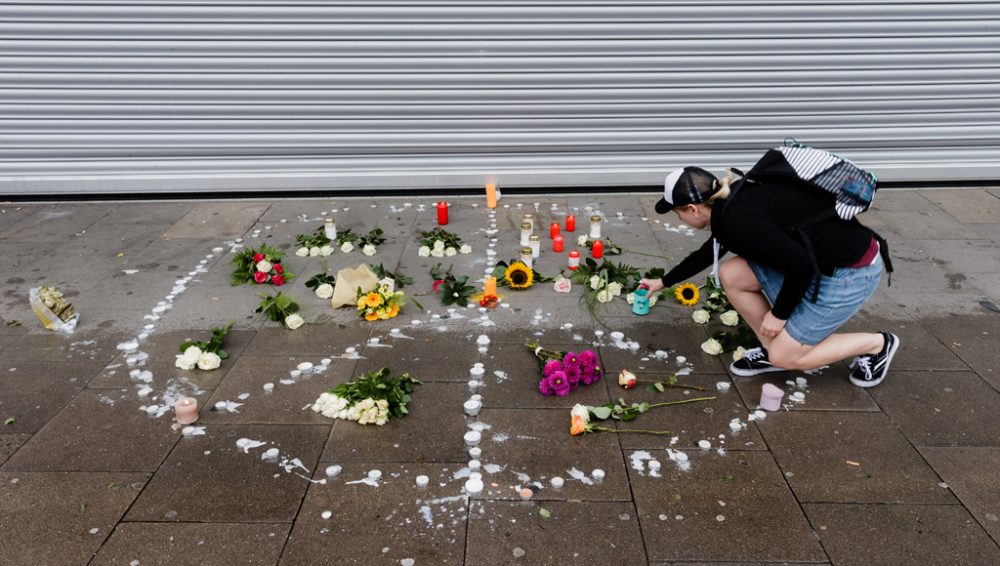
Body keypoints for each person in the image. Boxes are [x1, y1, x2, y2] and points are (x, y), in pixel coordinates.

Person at [639, 166, 898, 387]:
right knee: (732, 273)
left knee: (785, 357)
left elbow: (801, 266)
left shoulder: (737, 222)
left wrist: (779, 315)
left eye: (678, 213)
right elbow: (711, 251)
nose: (680, 219)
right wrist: (663, 282)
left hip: (849, 275)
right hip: (820, 263)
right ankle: (773, 351)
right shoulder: (731, 200)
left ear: (693, 209)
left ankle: (877, 344)